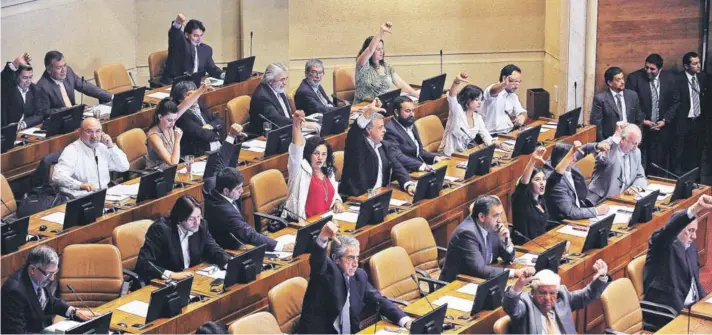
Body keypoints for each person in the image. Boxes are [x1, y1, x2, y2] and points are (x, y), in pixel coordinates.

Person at [298, 221, 412, 333]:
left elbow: (379, 301)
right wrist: (323, 236)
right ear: (336, 259)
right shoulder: (324, 274)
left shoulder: (359, 276)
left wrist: (405, 320)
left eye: (357, 258)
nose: (355, 264)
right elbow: (317, 261)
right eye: (350, 258)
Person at [136, 195, 230, 282]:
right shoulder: (161, 230)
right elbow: (144, 262)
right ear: (179, 218)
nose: (197, 222)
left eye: (198, 216)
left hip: (192, 277)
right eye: (191, 219)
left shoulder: (201, 226)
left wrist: (229, 264)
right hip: (165, 282)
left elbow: (213, 248)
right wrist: (171, 275)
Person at [1, 245, 94, 333]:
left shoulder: (41, 277)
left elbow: (49, 300)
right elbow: (16, 332)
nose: (52, 278)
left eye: (54, 272)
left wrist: (74, 311)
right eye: (49, 274)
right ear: (32, 269)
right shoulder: (14, 292)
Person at [644, 194, 712, 313]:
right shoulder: (661, 245)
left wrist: (706, 301)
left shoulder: (690, 247)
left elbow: (694, 283)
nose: (694, 236)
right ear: (678, 229)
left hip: (693, 307)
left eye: (695, 231)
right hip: (669, 311)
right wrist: (695, 208)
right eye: (690, 231)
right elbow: (669, 229)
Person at [503, 260, 610, 334]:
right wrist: (518, 285)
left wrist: (602, 276)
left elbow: (587, 295)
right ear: (533, 292)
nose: (548, 298)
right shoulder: (525, 305)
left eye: (552, 293)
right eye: (543, 293)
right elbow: (510, 307)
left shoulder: (562, 296)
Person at [338, 100, 415, 197]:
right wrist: (367, 113)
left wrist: (408, 184)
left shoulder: (384, 146)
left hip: (380, 195)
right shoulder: (358, 146)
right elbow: (354, 133)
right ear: (369, 130)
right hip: (358, 197)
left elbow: (397, 167)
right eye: (380, 127)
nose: (385, 130)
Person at [204, 167, 292, 251]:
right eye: (238, 188)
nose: (242, 191)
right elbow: (248, 234)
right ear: (226, 191)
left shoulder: (215, 190)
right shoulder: (225, 211)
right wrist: (280, 246)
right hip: (230, 249)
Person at [439, 195, 523, 282]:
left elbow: (509, 258)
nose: (500, 221)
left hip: (478, 280)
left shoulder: (491, 227)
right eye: (496, 216)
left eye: (500, 215)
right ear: (481, 217)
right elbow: (479, 270)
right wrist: (514, 273)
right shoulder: (467, 233)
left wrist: (507, 241)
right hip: (456, 285)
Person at [625, 54, 679, 175]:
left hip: (661, 127)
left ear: (660, 69)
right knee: (637, 160)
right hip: (641, 127)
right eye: (646, 67)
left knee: (658, 163)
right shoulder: (634, 78)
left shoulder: (670, 78)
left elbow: (675, 102)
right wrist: (643, 120)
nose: (648, 71)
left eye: (652, 69)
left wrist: (665, 120)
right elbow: (631, 103)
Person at [286, 110, 344, 221]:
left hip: (328, 220)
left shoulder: (327, 171)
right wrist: (296, 124)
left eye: (324, 154)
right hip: (305, 224)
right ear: (309, 154)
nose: (320, 158)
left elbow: (333, 193)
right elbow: (296, 149)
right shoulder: (299, 170)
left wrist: (337, 201)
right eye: (316, 153)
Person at [51, 117, 129, 198]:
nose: (94, 136)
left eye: (98, 131)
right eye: (89, 131)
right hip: (81, 198)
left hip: (105, 195)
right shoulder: (72, 151)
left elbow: (124, 167)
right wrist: (80, 185)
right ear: (80, 132)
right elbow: (57, 176)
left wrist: (111, 147)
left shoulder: (103, 147)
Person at [146, 84, 211, 169]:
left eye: (174, 119)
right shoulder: (154, 137)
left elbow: (187, 103)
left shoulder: (169, 122)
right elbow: (172, 163)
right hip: (158, 173)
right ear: (160, 117)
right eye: (169, 120)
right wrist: (177, 140)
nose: (173, 124)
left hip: (173, 169)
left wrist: (202, 89)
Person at [170, 80, 243, 156]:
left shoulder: (199, 105)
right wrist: (217, 133)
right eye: (189, 95)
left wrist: (209, 126)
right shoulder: (182, 116)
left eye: (195, 93)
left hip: (217, 146)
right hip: (201, 153)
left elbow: (220, 120)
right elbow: (203, 134)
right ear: (180, 100)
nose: (194, 97)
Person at [354, 21, 419, 104]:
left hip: (385, 104)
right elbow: (370, 49)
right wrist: (381, 31)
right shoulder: (362, 65)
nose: (381, 51)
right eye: (378, 49)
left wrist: (416, 94)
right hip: (365, 106)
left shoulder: (387, 66)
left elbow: (400, 83)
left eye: (382, 48)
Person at [247, 62, 320, 135]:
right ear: (270, 81)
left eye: (286, 78)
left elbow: (285, 115)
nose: (285, 83)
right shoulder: (262, 97)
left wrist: (296, 118)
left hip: (284, 129)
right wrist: (303, 124)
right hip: (265, 136)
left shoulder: (277, 88)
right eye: (282, 79)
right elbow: (276, 119)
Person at [36, 50, 113, 116]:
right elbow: (46, 112)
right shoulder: (42, 87)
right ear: (49, 70)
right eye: (59, 68)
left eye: (64, 65)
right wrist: (70, 109)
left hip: (75, 115)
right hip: (60, 121)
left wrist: (111, 97)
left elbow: (85, 86)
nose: (63, 70)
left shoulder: (68, 71)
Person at [587, 122, 647, 204]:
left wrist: (636, 187)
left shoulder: (636, 152)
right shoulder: (609, 148)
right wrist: (616, 135)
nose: (635, 147)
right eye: (633, 143)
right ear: (622, 139)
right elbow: (608, 160)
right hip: (601, 201)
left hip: (622, 199)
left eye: (638, 143)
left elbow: (641, 176)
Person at [546, 142, 609, 221]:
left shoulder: (566, 161)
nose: (575, 159)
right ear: (563, 160)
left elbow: (584, 149)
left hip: (581, 209)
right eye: (572, 157)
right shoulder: (558, 184)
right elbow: (571, 212)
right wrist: (596, 211)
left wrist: (597, 146)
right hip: (565, 221)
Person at [384, 96, 446, 172]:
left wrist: (435, 157)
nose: (412, 114)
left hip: (418, 167)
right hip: (405, 172)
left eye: (413, 111)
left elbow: (419, 152)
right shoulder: (390, 130)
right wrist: (421, 165)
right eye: (407, 111)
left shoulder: (410, 124)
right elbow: (397, 156)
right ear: (397, 112)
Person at [439, 72, 494, 156]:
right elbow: (452, 97)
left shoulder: (477, 118)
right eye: (476, 99)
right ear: (468, 99)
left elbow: (486, 136)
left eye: (481, 99)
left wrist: (497, 144)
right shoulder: (457, 111)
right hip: (448, 155)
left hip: (464, 154)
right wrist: (457, 81)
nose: (479, 103)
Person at [161, 13, 223, 85]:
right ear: (187, 35)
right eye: (196, 36)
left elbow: (212, 68)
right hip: (175, 84)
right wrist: (177, 22)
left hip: (195, 84)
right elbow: (175, 34)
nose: (199, 39)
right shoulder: (180, 44)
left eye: (201, 35)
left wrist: (223, 75)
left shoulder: (206, 49)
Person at [673, 51, 706, 176]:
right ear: (686, 66)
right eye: (695, 63)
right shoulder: (678, 79)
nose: (699, 66)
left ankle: (695, 181)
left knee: (696, 153)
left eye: (699, 63)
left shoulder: (703, 77)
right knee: (679, 153)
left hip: (698, 121)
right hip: (683, 122)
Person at [590, 66, 645, 141]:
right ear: (610, 82)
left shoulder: (632, 95)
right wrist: (603, 143)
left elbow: (639, 118)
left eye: (622, 78)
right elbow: (597, 124)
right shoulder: (600, 99)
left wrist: (638, 138)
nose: (622, 82)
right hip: (611, 140)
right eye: (618, 80)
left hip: (630, 140)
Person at [511, 147, 552, 244]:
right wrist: (532, 160)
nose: (542, 183)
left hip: (541, 243)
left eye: (543, 179)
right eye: (537, 180)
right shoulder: (521, 201)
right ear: (530, 183)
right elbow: (523, 184)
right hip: (526, 247)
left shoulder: (541, 199)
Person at [1, 53, 46, 129]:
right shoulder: (8, 88)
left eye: (30, 77)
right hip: (6, 131)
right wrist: (15, 63)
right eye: (25, 78)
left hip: (26, 130)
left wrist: (24, 124)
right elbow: (3, 78)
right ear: (16, 77)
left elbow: (40, 114)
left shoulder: (35, 90)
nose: (28, 81)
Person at [481, 64, 527, 134]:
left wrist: (522, 116)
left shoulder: (513, 96)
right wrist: (504, 84)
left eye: (519, 82)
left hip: (509, 131)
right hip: (492, 134)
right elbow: (493, 91)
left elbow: (522, 111)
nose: (517, 86)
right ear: (505, 78)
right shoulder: (493, 90)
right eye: (514, 81)